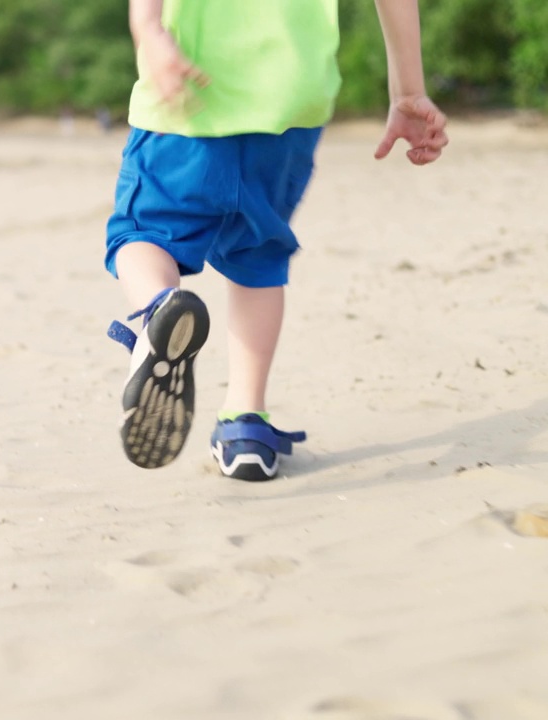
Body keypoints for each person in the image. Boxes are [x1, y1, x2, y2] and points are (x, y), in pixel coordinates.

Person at [104, 0, 448, 481]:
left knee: (141, 233)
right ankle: (246, 425)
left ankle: (160, 313)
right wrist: (408, 90)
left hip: (192, 85)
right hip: (291, 100)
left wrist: (147, 26)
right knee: (257, 258)